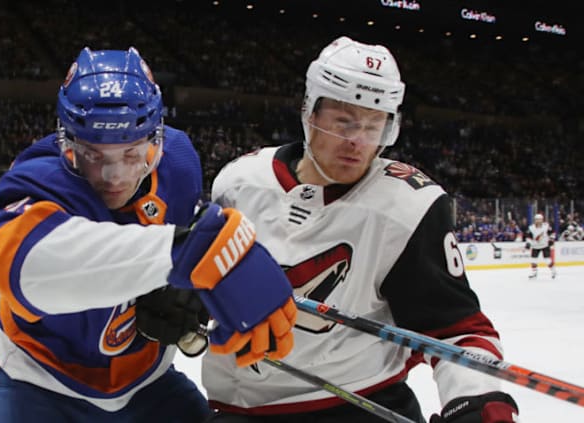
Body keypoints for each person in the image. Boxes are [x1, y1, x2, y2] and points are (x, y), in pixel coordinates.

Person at [0, 47, 296, 423]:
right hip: (41, 387)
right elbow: (25, 269)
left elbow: (176, 245)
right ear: (66, 143)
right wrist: (187, 252)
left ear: (156, 138)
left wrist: (182, 297)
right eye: (92, 155)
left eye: (132, 154)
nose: (115, 177)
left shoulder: (179, 161)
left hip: (148, 387)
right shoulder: (38, 177)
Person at [202, 36, 518, 422]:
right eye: (344, 122)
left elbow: (457, 331)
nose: (357, 142)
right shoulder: (239, 182)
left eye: (374, 126)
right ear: (310, 113)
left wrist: (476, 399)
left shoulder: (410, 207)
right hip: (240, 410)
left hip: (360, 407)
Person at [524, 213, 556, 279]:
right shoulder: (531, 228)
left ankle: (553, 271)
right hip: (535, 246)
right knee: (533, 260)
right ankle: (534, 273)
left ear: (542, 220)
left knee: (547, 260)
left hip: (545, 245)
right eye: (537, 219)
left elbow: (552, 233)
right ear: (535, 220)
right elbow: (528, 237)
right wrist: (528, 243)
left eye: (539, 219)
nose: (538, 221)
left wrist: (551, 240)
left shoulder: (546, 226)